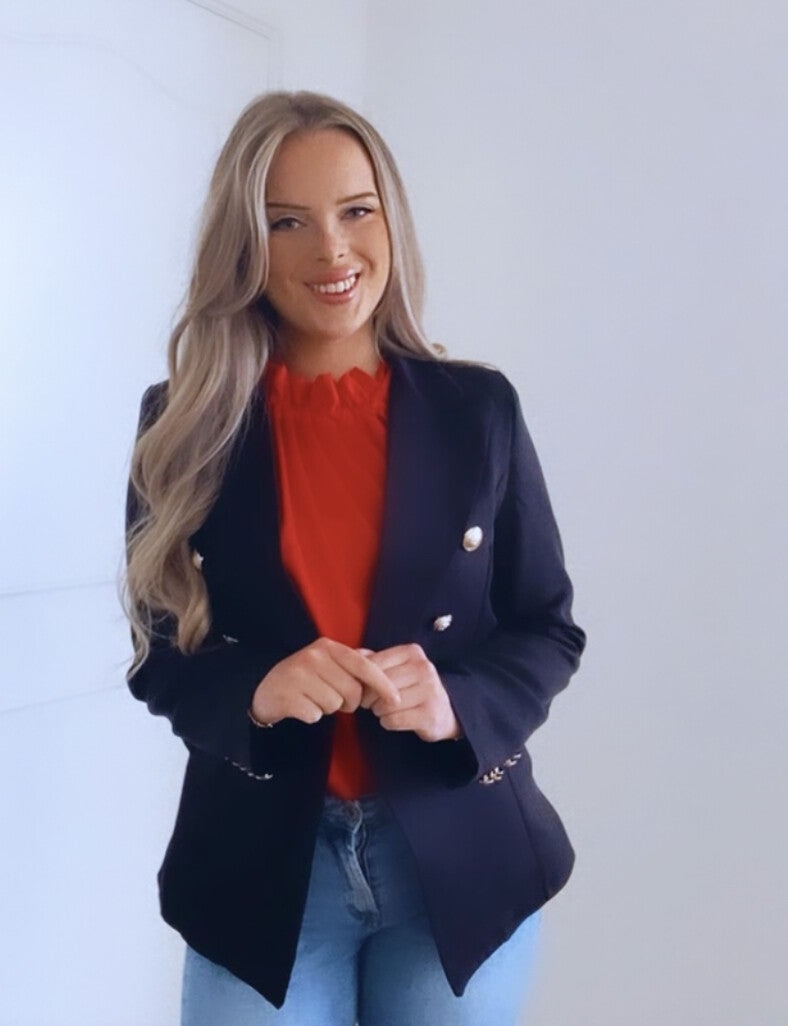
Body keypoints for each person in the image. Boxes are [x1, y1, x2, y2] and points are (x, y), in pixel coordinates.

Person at [123, 89, 586, 1026]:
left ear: (391, 220)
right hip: (261, 868)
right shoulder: (182, 424)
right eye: (286, 221)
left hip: (458, 855)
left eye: (356, 211)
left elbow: (547, 627)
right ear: (244, 245)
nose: (332, 251)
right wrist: (256, 691)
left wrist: (458, 705)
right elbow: (157, 656)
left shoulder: (478, 411)